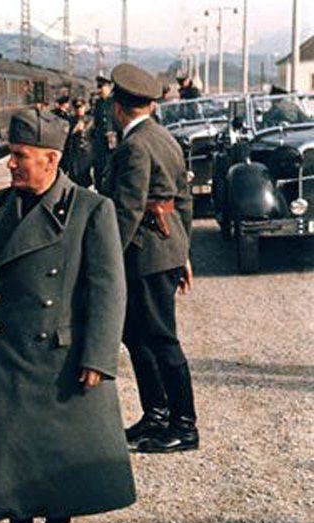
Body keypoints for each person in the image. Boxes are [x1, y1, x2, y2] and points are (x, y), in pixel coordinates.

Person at [0, 108, 136, 523]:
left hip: (59, 353)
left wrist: (98, 355)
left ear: (51, 159)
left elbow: (108, 289)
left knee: (58, 449)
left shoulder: (92, 209)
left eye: (19, 156)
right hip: (3, 350)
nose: (9, 164)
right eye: (11, 155)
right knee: (8, 447)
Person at [101, 63, 197, 455]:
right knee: (137, 336)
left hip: (143, 257)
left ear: (119, 108)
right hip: (162, 253)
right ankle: (156, 416)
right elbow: (184, 203)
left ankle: (184, 426)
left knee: (159, 340)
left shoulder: (135, 147)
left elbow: (126, 211)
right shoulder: (164, 138)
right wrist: (183, 250)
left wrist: (104, 261)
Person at [90, 75, 117, 191]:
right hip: (100, 143)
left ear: (109, 87)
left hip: (114, 144)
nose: (100, 90)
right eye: (98, 87)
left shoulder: (114, 103)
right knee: (100, 169)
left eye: (102, 87)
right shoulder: (99, 104)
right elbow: (97, 123)